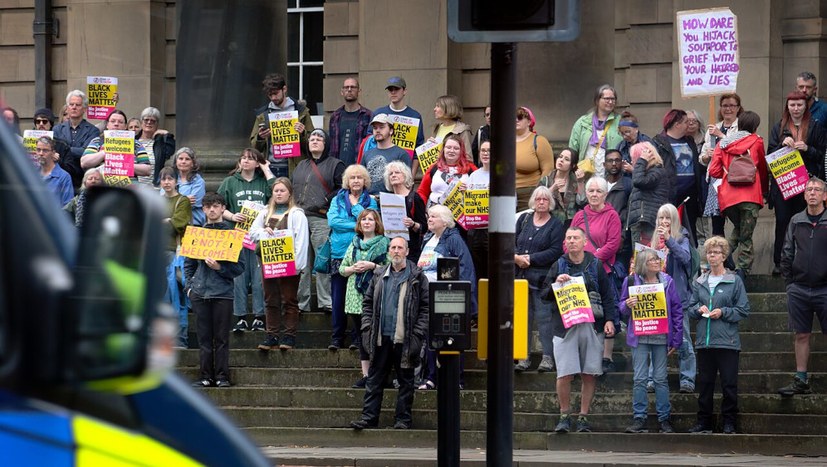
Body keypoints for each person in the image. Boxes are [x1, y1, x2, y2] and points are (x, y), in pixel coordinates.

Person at [542, 226, 617, 433]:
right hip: (564, 327)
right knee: (564, 374)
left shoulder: (595, 264)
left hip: (592, 325)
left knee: (589, 374)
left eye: (576, 238)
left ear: (585, 242)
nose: (572, 241)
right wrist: (555, 283)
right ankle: (564, 415)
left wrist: (610, 319)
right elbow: (544, 295)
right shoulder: (558, 264)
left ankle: (583, 416)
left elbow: (608, 295)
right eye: (568, 238)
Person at [349, 237, 429, 430]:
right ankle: (369, 418)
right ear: (388, 251)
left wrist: (418, 334)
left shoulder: (417, 276)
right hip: (380, 337)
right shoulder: (378, 274)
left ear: (407, 251)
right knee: (374, 379)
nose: (396, 251)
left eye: (400, 248)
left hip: (406, 338)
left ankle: (403, 420)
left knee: (406, 382)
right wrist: (367, 328)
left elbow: (426, 308)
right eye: (393, 247)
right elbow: (367, 304)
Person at [687, 236, 750, 434]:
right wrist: (698, 309)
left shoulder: (734, 280)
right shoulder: (699, 281)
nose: (711, 256)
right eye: (709, 253)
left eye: (716, 253)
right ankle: (704, 421)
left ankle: (729, 421)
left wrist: (723, 312)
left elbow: (743, 310)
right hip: (705, 342)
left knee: (729, 383)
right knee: (705, 384)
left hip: (727, 341)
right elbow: (689, 307)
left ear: (724, 256)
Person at [619, 248, 683, 434]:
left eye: (658, 260)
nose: (657, 262)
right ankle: (639, 418)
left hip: (661, 336)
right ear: (643, 264)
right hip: (640, 336)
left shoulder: (667, 281)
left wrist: (676, 339)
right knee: (639, 378)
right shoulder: (631, 281)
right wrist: (627, 304)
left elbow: (677, 310)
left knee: (660, 379)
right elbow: (621, 307)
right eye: (653, 260)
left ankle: (665, 419)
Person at [186, 193, 246, 388]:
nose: (212, 210)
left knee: (221, 338)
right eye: (208, 206)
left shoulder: (232, 235)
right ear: (203, 209)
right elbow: (188, 265)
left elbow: (240, 267)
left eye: (216, 206)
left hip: (222, 293)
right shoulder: (196, 233)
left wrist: (220, 268)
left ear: (223, 209)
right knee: (203, 339)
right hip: (200, 293)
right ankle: (205, 376)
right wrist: (189, 288)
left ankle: (221, 376)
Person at [417, 205, 476, 390]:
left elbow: (465, 268)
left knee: (452, 337)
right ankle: (432, 376)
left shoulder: (454, 239)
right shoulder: (427, 237)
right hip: (426, 295)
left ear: (445, 220)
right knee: (431, 337)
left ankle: (456, 378)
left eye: (434, 216)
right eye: (429, 216)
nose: (429, 219)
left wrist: (462, 298)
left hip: (447, 297)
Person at [768, 91, 827, 275]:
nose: (795, 108)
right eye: (792, 105)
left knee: (806, 222)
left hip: (807, 185)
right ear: (787, 107)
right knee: (783, 222)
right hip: (785, 184)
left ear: (805, 106)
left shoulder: (815, 127)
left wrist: (807, 148)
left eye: (799, 105)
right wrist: (781, 146)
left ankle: (803, 263)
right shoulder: (779, 127)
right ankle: (779, 263)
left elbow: (822, 156)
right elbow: (769, 156)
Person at [778, 177, 827, 396]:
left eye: (817, 190)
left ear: (825, 196)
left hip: (825, 288)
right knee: (801, 334)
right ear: (804, 194)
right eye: (809, 189)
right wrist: (790, 284)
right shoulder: (796, 220)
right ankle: (800, 379)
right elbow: (786, 253)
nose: (813, 193)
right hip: (799, 288)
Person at [217, 148, 276, 332]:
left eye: (250, 159)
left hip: (259, 238)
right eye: (243, 158)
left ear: (257, 162)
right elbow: (219, 205)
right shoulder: (230, 182)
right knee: (239, 278)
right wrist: (232, 216)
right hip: (238, 237)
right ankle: (240, 317)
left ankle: (259, 316)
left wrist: (266, 169)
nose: (246, 161)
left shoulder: (262, 183)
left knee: (259, 278)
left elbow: (278, 193)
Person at [569, 176, 623, 372]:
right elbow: (569, 240)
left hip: (603, 270)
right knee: (581, 313)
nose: (593, 194)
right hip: (578, 272)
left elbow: (613, 243)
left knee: (608, 311)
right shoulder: (579, 215)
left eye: (598, 191)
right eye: (590, 191)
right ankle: (581, 356)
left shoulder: (612, 216)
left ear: (605, 194)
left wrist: (592, 261)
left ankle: (606, 356)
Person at [250, 178, 309, 351]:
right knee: (270, 299)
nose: (279, 193)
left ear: (289, 192)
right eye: (276, 191)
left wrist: (297, 265)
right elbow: (252, 232)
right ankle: (272, 335)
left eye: (282, 190)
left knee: (289, 300)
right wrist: (263, 231)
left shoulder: (297, 214)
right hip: (268, 264)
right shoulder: (265, 212)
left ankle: (289, 337)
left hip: (289, 265)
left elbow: (301, 241)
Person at [708, 111, 768, 277]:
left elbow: (713, 170)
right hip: (750, 196)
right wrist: (764, 190)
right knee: (746, 236)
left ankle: (718, 255)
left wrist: (728, 175)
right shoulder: (756, 141)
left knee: (740, 230)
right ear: (755, 126)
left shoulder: (723, 144)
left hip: (728, 198)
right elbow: (762, 168)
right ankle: (742, 272)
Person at [292, 128, 345, 313]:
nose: (314, 140)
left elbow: (343, 188)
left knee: (323, 261)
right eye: (311, 138)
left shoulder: (335, 164)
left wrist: (326, 199)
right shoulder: (300, 166)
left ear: (326, 143)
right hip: (299, 218)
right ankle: (301, 303)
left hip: (321, 217)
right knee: (301, 263)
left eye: (319, 138)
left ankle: (326, 302)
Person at [514, 186, 564, 372]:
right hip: (520, 277)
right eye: (538, 199)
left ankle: (547, 357)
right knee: (522, 318)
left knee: (544, 319)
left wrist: (531, 259)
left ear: (550, 203)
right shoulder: (524, 219)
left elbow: (556, 251)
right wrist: (516, 258)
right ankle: (523, 357)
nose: (541, 202)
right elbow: (511, 242)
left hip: (542, 279)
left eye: (545, 199)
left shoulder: (556, 224)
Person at [328, 164, 378, 350]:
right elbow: (333, 221)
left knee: (360, 299)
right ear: (346, 181)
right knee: (338, 298)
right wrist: (358, 224)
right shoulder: (337, 199)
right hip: (340, 253)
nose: (356, 180)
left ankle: (358, 338)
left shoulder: (370, 201)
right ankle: (337, 337)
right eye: (352, 177)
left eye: (359, 177)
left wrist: (357, 208)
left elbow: (372, 221)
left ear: (365, 181)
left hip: (362, 253)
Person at [340, 209, 390, 387]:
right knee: (362, 338)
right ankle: (367, 375)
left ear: (377, 223)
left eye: (370, 219)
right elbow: (342, 269)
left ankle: (380, 373)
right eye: (363, 219)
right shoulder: (354, 243)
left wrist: (372, 265)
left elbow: (390, 267)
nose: (367, 222)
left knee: (377, 336)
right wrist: (354, 268)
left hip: (376, 295)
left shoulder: (384, 243)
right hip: (355, 297)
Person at [648, 204, 695, 394]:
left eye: (668, 218)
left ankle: (688, 379)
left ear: (674, 220)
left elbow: (686, 258)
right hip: (656, 297)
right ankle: (653, 378)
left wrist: (669, 240)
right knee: (655, 339)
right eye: (661, 218)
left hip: (678, 298)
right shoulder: (653, 240)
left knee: (683, 340)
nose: (664, 222)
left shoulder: (682, 237)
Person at [250, 73, 315, 178]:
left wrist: (303, 133)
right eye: (270, 95)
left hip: (295, 167)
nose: (273, 98)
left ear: (284, 89)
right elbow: (254, 146)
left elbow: (313, 143)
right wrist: (260, 137)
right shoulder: (263, 115)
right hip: (271, 167)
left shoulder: (301, 111)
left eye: (275, 93)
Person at [652, 109, 702, 242]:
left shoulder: (689, 141)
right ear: (677, 124)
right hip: (670, 193)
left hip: (690, 195)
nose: (689, 125)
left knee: (690, 230)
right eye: (686, 122)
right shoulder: (659, 143)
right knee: (669, 228)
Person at [700, 96, 742, 242]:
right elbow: (703, 157)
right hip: (715, 179)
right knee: (717, 223)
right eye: (724, 105)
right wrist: (706, 156)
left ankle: (730, 254)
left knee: (738, 221)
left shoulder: (741, 127)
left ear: (738, 107)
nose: (728, 109)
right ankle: (720, 258)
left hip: (734, 178)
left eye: (731, 105)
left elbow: (739, 149)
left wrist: (721, 136)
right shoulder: (713, 127)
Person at [159, 166, 192, 347]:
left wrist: (165, 221)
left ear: (176, 180)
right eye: (163, 179)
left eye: (170, 179)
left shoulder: (182, 201)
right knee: (161, 298)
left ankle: (181, 339)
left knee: (177, 297)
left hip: (175, 253)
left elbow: (179, 223)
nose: (167, 182)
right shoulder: (157, 200)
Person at [80, 110, 151, 184]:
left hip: (129, 190)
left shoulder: (135, 144)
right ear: (107, 125)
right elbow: (84, 162)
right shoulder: (97, 141)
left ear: (125, 126)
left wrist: (123, 165)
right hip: (104, 189)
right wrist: (107, 152)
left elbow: (147, 170)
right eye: (113, 121)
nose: (116, 124)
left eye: (120, 122)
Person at [568, 84, 623, 178]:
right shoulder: (582, 122)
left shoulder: (620, 121)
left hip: (612, 176)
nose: (610, 102)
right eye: (607, 99)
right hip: (586, 174)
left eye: (613, 99)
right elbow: (572, 149)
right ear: (597, 100)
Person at [373, 76, 425, 173]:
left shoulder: (415, 116)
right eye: (390, 89)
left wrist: (412, 176)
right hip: (381, 169)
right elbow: (371, 142)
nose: (393, 92)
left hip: (405, 171)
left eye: (396, 89)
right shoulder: (379, 114)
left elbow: (417, 149)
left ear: (404, 91)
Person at [52, 90, 101, 190]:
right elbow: (53, 151)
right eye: (71, 104)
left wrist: (64, 150)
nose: (74, 107)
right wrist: (76, 150)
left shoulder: (93, 130)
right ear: (67, 107)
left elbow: (86, 153)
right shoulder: (56, 129)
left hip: (82, 178)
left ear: (84, 109)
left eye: (78, 105)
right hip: (60, 178)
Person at [417, 134, 477, 208]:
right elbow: (422, 192)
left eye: (456, 148)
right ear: (443, 149)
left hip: (461, 213)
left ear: (461, 151)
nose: (451, 151)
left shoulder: (471, 169)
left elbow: (481, 190)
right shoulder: (434, 168)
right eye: (448, 147)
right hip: (435, 213)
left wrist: (469, 190)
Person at [384, 161, 427, 261]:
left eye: (397, 172)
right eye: (391, 174)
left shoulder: (415, 198)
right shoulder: (386, 200)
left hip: (411, 250)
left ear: (405, 176)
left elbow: (424, 227)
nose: (393, 175)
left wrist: (413, 224)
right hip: (392, 249)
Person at [627, 141, 669, 245]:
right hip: (644, 221)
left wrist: (642, 161)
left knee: (645, 257)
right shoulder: (652, 172)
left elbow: (638, 181)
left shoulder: (656, 172)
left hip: (647, 222)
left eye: (634, 158)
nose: (632, 162)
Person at [360, 114, 411, 195]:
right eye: (375, 128)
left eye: (381, 127)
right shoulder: (367, 154)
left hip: (391, 200)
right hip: (369, 200)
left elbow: (408, 183)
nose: (377, 130)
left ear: (391, 130)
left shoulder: (402, 154)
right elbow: (361, 179)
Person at [515, 106, 554, 211]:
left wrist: (539, 192)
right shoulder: (504, 142)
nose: (516, 120)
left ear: (529, 122)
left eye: (520, 117)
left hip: (530, 193)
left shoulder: (539, 141)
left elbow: (548, 169)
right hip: (506, 194)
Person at [328, 77, 372, 166]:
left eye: (353, 87)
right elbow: (331, 145)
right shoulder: (335, 116)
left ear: (359, 91)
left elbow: (370, 145)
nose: (349, 90)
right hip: (338, 168)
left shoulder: (368, 115)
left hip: (359, 167)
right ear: (342, 91)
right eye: (346, 87)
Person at [467, 140, 491, 279]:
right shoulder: (474, 175)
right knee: (477, 269)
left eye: (489, 150)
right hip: (475, 230)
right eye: (483, 150)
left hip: (491, 229)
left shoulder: (501, 175)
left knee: (491, 267)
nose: (486, 153)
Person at [604, 149, 633, 267]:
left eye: (617, 160)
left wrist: (622, 236)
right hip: (601, 237)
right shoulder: (599, 185)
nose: (614, 164)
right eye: (610, 161)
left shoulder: (628, 184)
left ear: (622, 163)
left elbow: (630, 213)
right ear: (604, 164)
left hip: (621, 241)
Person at [135, 106, 176, 187]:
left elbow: (170, 151)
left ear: (157, 124)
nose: (149, 122)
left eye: (153, 121)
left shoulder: (160, 143)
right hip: (134, 188)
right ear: (141, 122)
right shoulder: (133, 141)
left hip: (154, 188)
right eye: (146, 120)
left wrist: (167, 134)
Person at [546, 147, 585, 228]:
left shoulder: (576, 180)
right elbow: (537, 200)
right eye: (560, 157)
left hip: (571, 224)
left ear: (573, 165)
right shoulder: (546, 179)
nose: (561, 160)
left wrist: (580, 182)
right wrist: (552, 189)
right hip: (549, 223)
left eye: (566, 159)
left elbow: (582, 202)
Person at [431, 95, 474, 161]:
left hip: (454, 170)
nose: (434, 109)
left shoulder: (462, 130)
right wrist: (428, 147)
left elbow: (468, 158)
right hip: (437, 170)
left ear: (448, 109)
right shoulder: (437, 128)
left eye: (438, 106)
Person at [36, 136, 74, 208]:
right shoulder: (31, 174)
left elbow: (68, 208)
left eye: (45, 150)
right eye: (38, 150)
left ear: (53, 153)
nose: (41, 153)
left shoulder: (64, 177)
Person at [173, 147, 207, 226]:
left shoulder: (198, 182)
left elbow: (194, 203)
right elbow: (164, 200)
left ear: (193, 163)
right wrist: (185, 199)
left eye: (187, 159)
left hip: (193, 224)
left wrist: (173, 200)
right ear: (176, 162)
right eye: (180, 158)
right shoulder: (170, 179)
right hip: (174, 223)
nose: (183, 161)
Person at [616, 111, 652, 177]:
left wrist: (633, 170)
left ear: (636, 129)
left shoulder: (647, 144)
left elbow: (653, 172)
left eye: (628, 132)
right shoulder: (620, 146)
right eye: (622, 133)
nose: (625, 136)